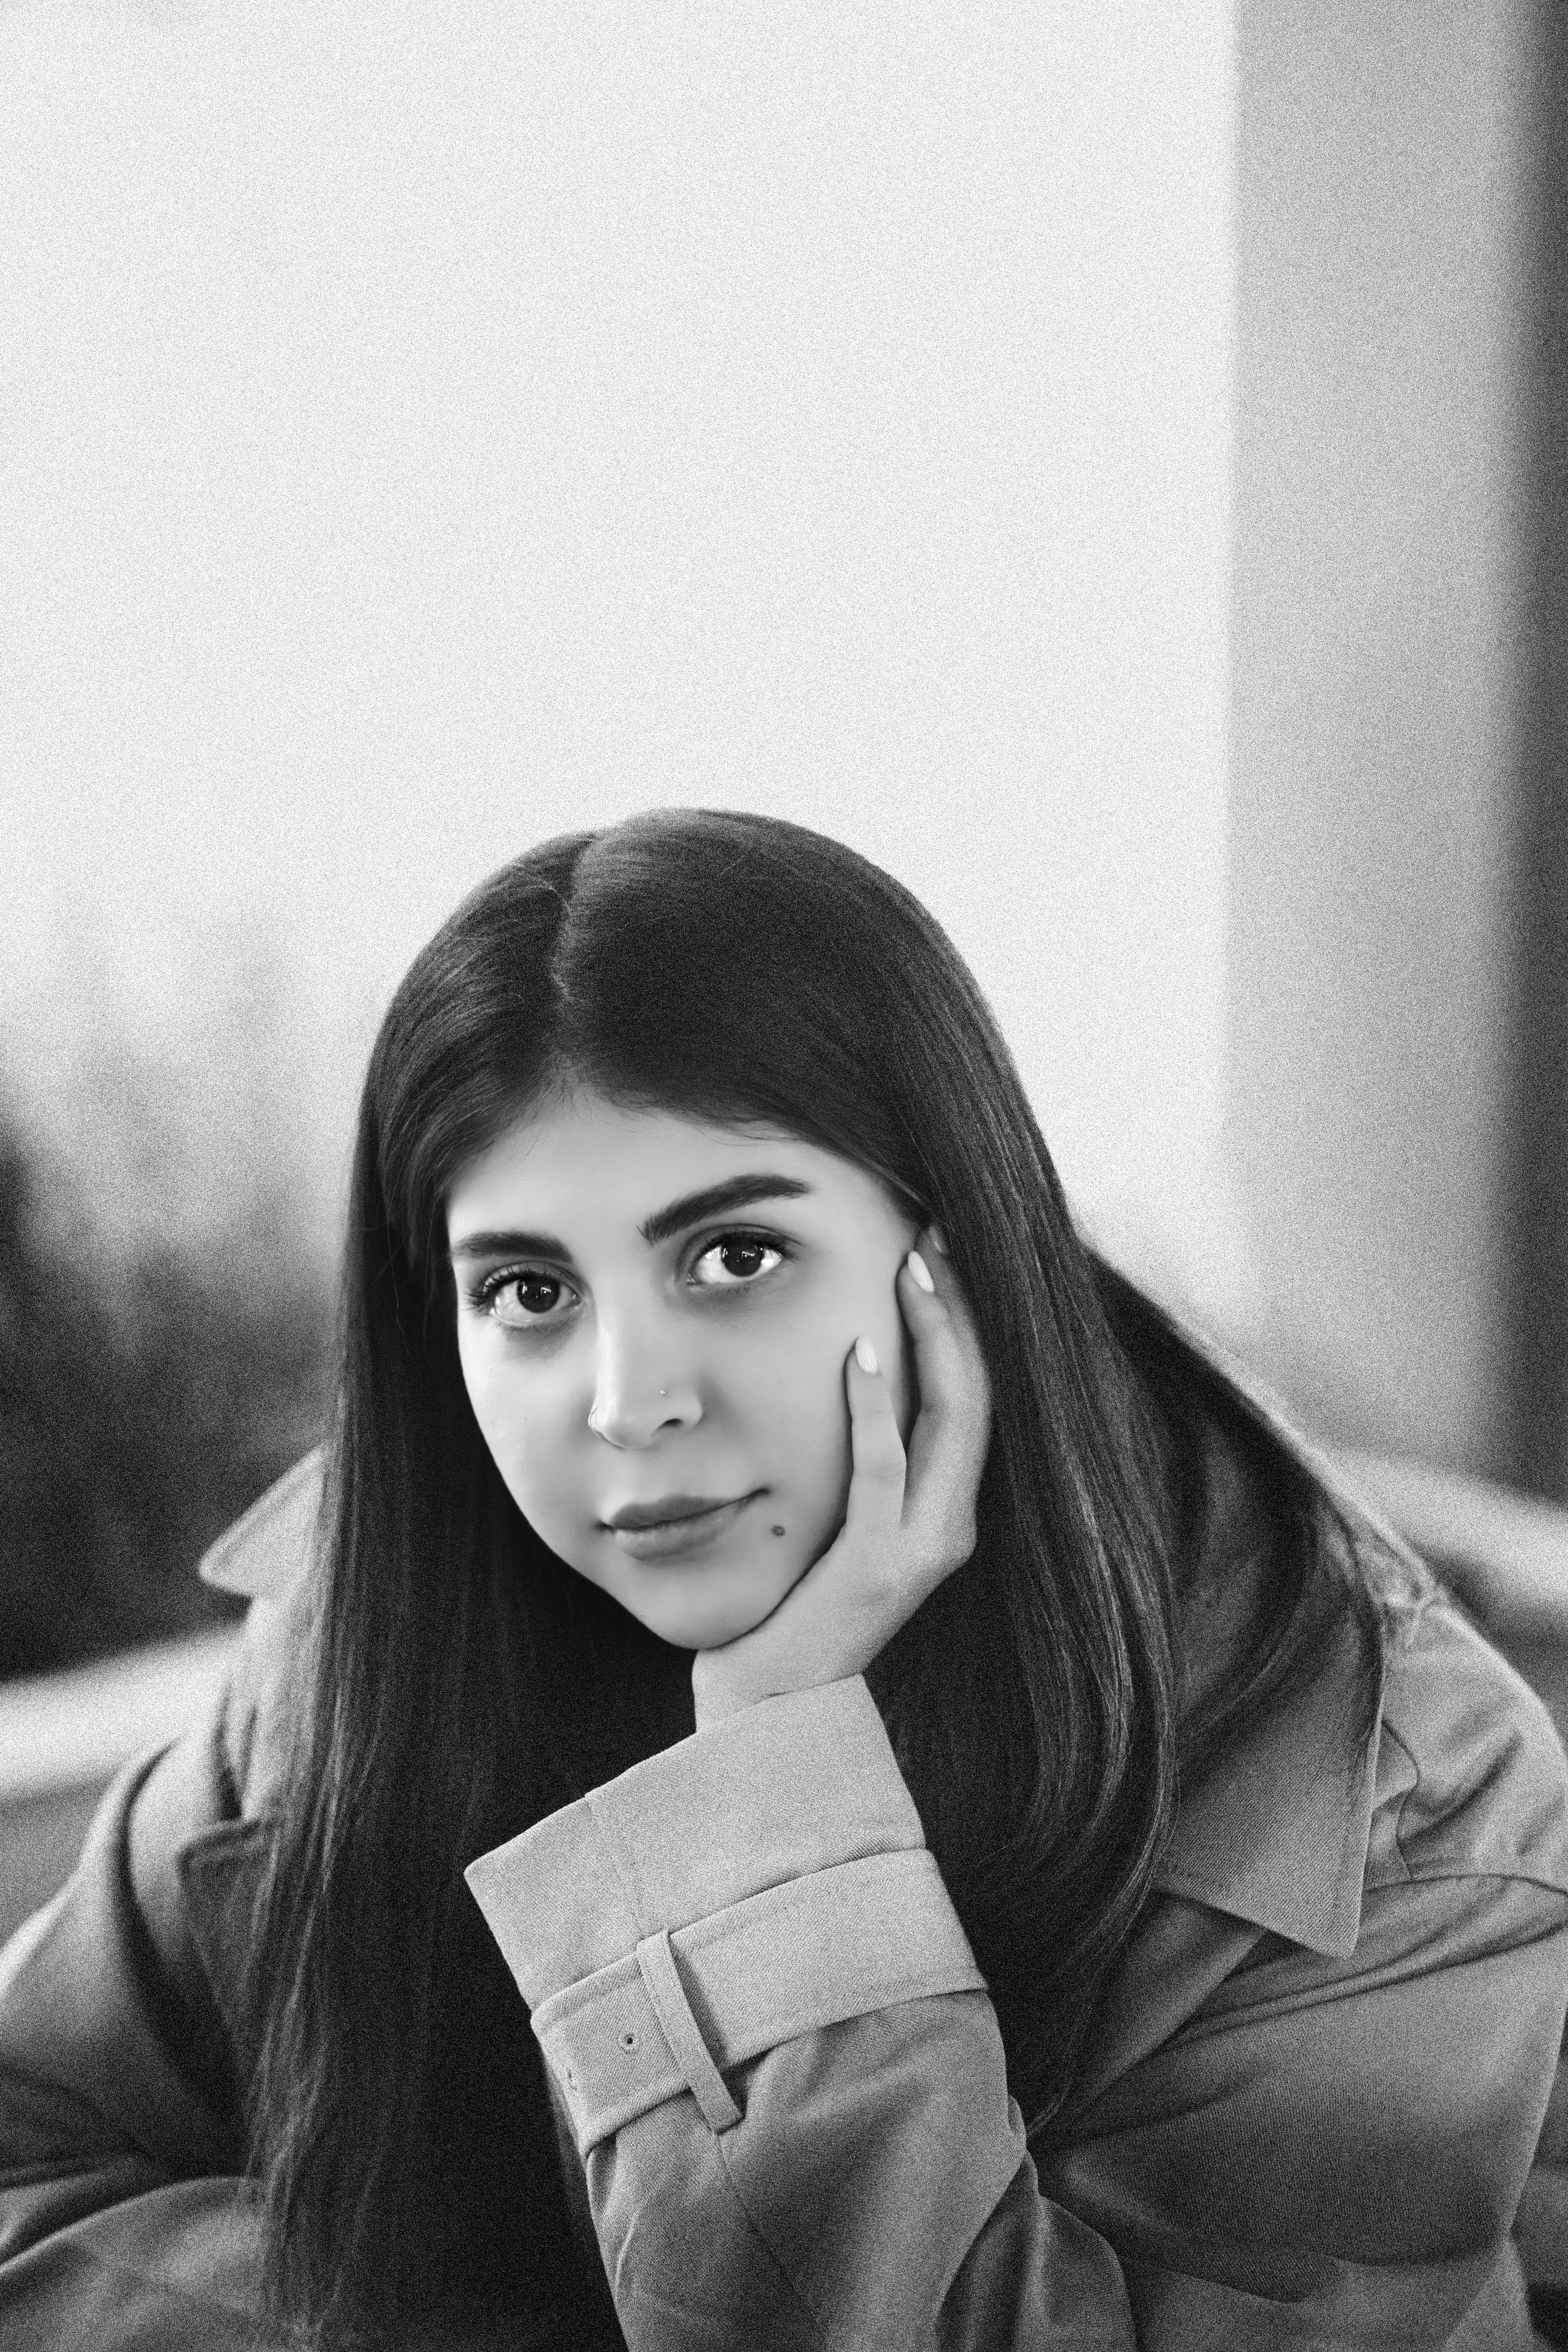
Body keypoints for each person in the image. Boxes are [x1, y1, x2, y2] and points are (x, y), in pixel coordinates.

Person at [1, 806, 1565, 2352]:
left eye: (733, 1257)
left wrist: (772, 1770)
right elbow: (32, 2160)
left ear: (956, 1259)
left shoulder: (1399, 1801)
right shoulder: (358, 1645)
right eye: (528, 1289)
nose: (628, 1398)